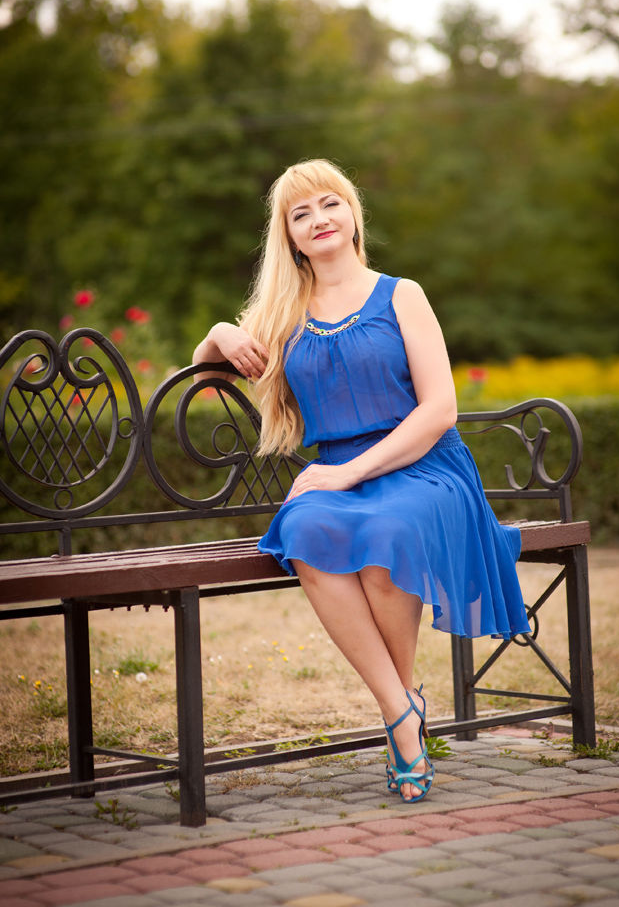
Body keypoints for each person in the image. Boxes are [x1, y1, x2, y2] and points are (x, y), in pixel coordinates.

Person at [193, 158, 530, 803]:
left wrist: (348, 473)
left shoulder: (402, 295)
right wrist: (220, 334)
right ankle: (404, 709)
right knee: (303, 527)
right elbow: (205, 370)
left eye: (329, 204)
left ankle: (398, 721)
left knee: (387, 534)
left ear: (353, 215)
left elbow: (440, 410)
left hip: (423, 466)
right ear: (290, 237)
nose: (318, 219)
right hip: (338, 476)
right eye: (300, 213)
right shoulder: (283, 316)